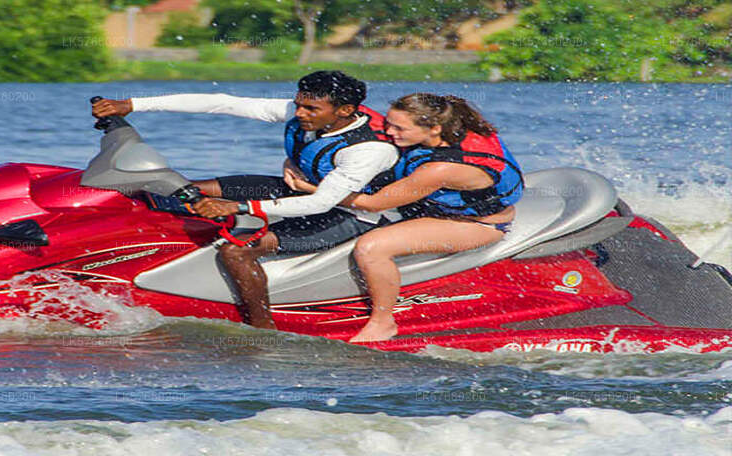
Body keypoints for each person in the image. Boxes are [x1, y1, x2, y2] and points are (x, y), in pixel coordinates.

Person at [90, 71, 398, 330]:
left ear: (345, 110)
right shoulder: (309, 113)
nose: (299, 113)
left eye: (311, 110)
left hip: (348, 215)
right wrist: (132, 104)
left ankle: (262, 331)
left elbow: (321, 204)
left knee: (236, 252)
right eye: (298, 105)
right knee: (177, 190)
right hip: (301, 190)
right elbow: (221, 103)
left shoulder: (368, 150)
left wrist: (239, 207)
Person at [340, 93, 524, 343]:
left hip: (477, 225)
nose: (389, 131)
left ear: (434, 128)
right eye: (388, 124)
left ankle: (383, 322)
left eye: (399, 128)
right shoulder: (450, 124)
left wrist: (314, 191)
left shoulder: (440, 169)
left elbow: (374, 204)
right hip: (438, 208)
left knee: (371, 248)